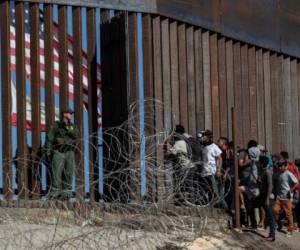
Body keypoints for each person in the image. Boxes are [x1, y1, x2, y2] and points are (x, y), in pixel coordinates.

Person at [44, 108, 80, 199]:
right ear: (64, 114)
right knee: (56, 172)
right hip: (58, 151)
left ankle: (66, 192)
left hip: (69, 151)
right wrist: (48, 151)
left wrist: (66, 129)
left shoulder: (73, 126)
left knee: (68, 172)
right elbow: (50, 138)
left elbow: (76, 135)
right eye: (69, 113)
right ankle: (55, 191)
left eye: (71, 113)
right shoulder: (56, 125)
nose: (71, 115)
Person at [273, 158, 299, 237]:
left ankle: (290, 231)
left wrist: (290, 190)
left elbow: (296, 182)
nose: (280, 168)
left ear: (286, 166)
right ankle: (279, 224)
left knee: (288, 214)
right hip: (279, 196)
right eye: (279, 166)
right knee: (275, 210)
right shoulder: (279, 173)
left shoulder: (288, 173)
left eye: (282, 166)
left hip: (286, 197)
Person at [238, 140, 260, 229]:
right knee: (246, 201)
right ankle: (245, 220)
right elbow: (240, 164)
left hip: (253, 180)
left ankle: (254, 223)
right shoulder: (243, 153)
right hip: (245, 179)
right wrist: (248, 162)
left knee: (251, 203)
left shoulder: (255, 155)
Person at [199, 130, 223, 207]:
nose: (203, 137)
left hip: (212, 172)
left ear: (209, 137)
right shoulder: (204, 147)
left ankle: (224, 209)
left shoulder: (214, 146)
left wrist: (218, 170)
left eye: (204, 136)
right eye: (202, 136)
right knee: (208, 191)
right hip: (204, 172)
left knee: (214, 192)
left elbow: (219, 158)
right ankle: (211, 206)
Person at [258, 156, 276, 241]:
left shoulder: (267, 172)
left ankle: (272, 236)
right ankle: (265, 227)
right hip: (264, 195)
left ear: (261, 163)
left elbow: (270, 186)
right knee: (268, 214)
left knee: (270, 216)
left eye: (259, 162)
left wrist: (267, 198)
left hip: (268, 196)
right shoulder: (263, 171)